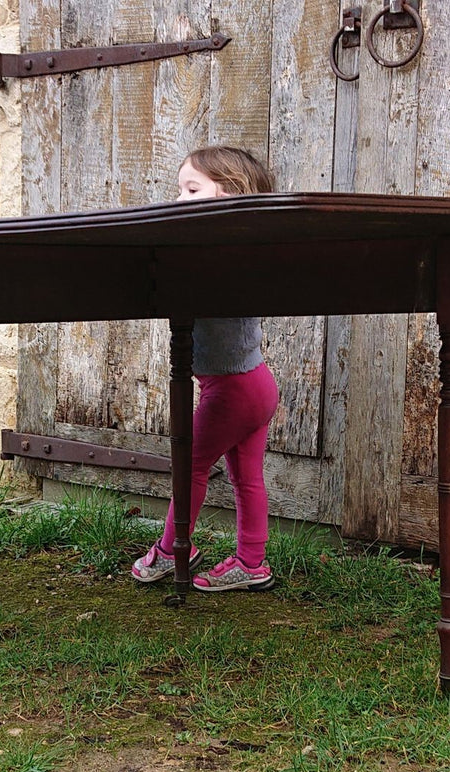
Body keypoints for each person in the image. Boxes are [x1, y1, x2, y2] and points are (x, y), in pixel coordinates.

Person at [131, 146, 281, 592]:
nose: (180, 200)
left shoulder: (222, 253)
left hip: (233, 390)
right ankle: (252, 562)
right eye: (179, 190)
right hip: (255, 384)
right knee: (245, 478)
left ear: (229, 193)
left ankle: (170, 550)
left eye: (191, 190)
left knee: (190, 467)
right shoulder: (236, 250)